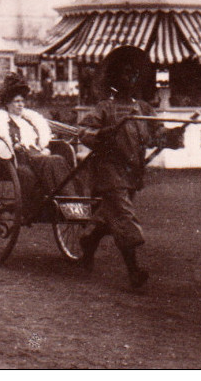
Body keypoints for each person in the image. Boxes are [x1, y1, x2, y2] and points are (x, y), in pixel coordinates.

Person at [78, 46, 185, 288]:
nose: (130, 79)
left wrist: (172, 135)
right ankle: (134, 272)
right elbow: (84, 131)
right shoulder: (105, 107)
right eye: (125, 74)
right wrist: (101, 134)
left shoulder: (144, 109)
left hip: (132, 172)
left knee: (110, 218)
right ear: (116, 79)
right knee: (125, 218)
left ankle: (88, 242)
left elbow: (157, 133)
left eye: (134, 74)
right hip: (107, 170)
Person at [0, 72, 74, 215]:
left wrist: (44, 147)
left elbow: (41, 138)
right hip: (22, 157)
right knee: (53, 160)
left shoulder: (28, 120)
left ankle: (70, 200)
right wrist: (14, 146)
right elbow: (4, 139)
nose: (20, 105)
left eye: (22, 101)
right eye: (17, 101)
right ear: (8, 103)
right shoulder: (3, 120)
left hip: (36, 154)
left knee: (57, 159)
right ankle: (67, 201)